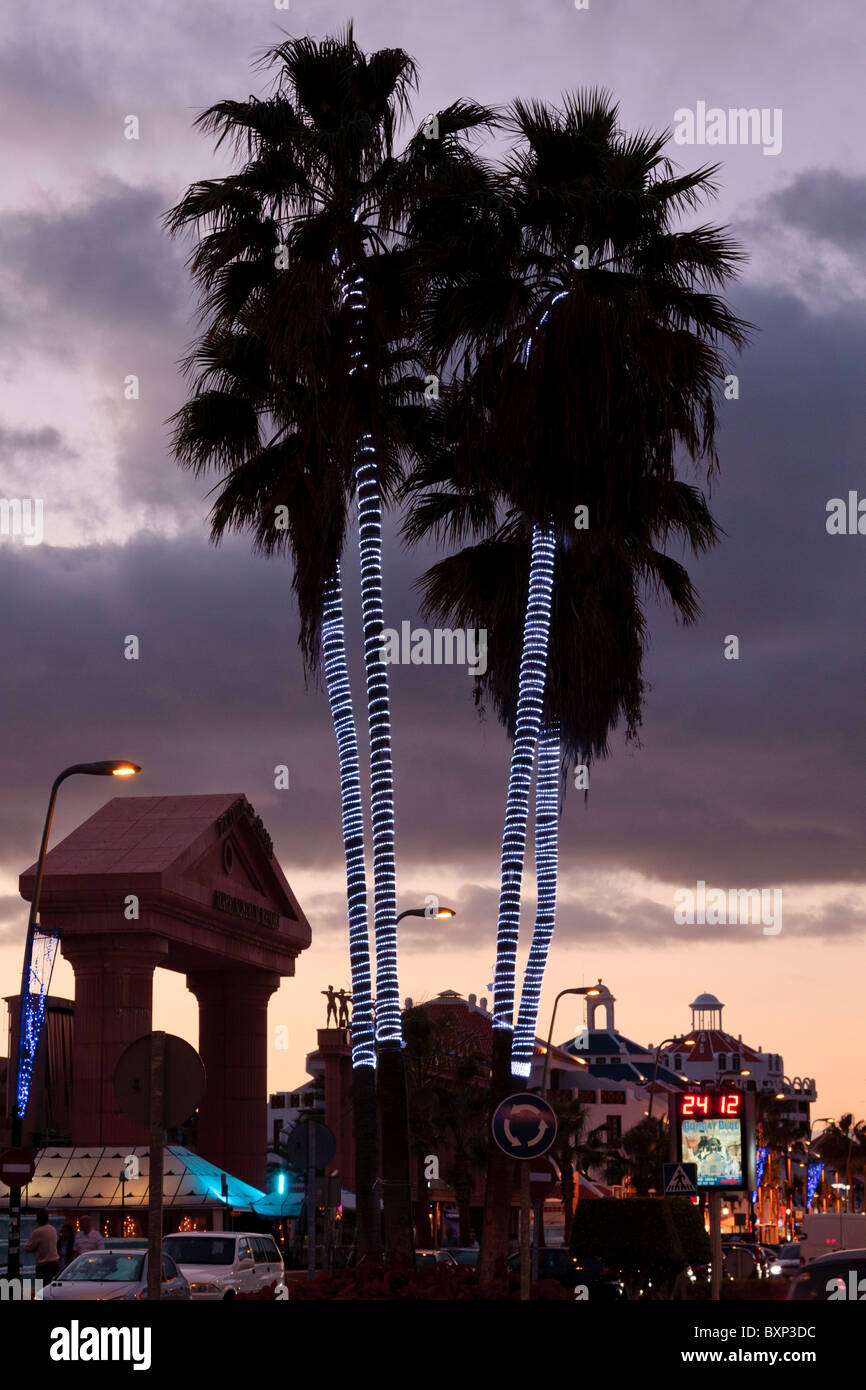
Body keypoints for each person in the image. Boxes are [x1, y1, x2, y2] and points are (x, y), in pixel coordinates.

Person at [25, 1209, 59, 1285]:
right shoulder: (53, 1229)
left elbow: (28, 1248)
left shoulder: (37, 1232)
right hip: (55, 1264)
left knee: (41, 1290)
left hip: (43, 1267)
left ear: (38, 1219)